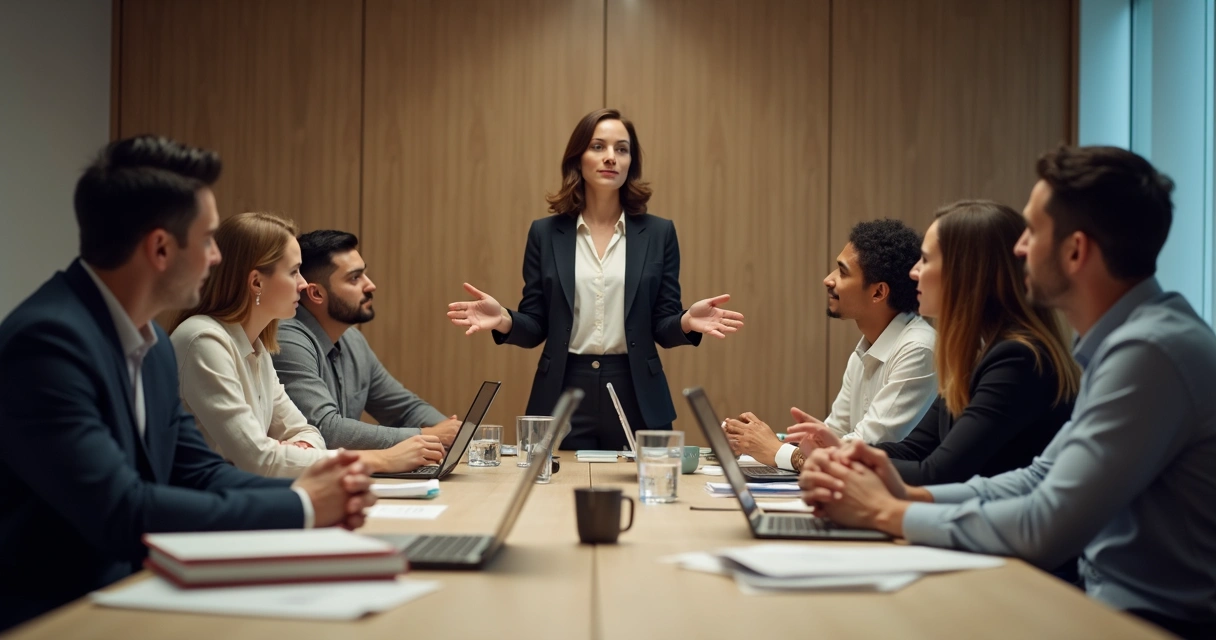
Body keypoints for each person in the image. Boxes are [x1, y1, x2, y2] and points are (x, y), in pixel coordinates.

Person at [800, 146, 1216, 638]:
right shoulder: (1126, 343)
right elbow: (1037, 478)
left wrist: (887, 512)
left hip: (1149, 623)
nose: (1019, 249)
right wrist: (907, 493)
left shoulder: (1150, 352)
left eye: (1032, 232)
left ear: (1075, 251)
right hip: (1102, 603)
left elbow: (1046, 523)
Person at [0, 136, 375, 630]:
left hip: (133, 593)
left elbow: (200, 472)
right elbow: (122, 512)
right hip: (55, 615)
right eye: (207, 240)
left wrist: (314, 491)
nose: (217, 257)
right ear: (160, 248)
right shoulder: (48, 344)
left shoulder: (153, 342)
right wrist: (301, 504)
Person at [446, 108, 744, 450]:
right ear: (578, 158)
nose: (611, 157)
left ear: (631, 162)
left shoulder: (659, 233)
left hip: (637, 391)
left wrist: (687, 321)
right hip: (563, 388)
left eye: (622, 149)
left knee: (650, 483)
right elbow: (537, 324)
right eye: (598, 146)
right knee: (553, 483)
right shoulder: (545, 233)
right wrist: (504, 320)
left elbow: (662, 325)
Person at [793, 201, 1079, 487]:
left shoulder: (1016, 359)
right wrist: (841, 452)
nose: (914, 272)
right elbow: (914, 449)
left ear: (967, 274)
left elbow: (938, 472)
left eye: (926, 260)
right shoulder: (975, 356)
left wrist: (838, 458)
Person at [170, 213, 444, 478]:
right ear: (256, 282)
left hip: (237, 496)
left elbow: (309, 433)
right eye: (294, 272)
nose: (302, 285)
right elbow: (260, 459)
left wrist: (290, 451)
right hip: (200, 503)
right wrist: (381, 459)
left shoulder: (257, 346)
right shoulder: (204, 340)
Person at [724, 219, 936, 470]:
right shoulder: (865, 349)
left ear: (878, 292)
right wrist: (758, 442)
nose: (828, 279)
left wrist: (776, 451)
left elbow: (864, 447)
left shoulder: (918, 349)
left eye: (842, 272)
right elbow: (835, 435)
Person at [272, 230, 461, 450]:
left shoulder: (352, 339)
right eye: (355, 278)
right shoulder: (287, 339)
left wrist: (454, 432)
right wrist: (427, 435)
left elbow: (404, 409)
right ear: (316, 294)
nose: (370, 285)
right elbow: (326, 429)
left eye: (364, 274)